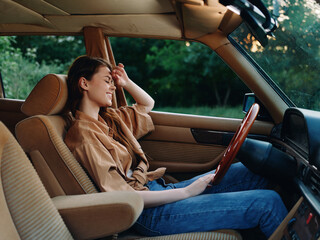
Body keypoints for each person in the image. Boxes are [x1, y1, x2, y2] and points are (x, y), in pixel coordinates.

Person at [64, 55, 288, 238]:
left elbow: (147, 104)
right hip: (146, 213)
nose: (112, 87)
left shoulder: (110, 118)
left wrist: (126, 82)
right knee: (267, 203)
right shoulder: (83, 135)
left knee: (250, 170)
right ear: (84, 83)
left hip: (156, 190)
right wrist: (187, 191)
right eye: (107, 81)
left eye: (113, 83)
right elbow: (123, 196)